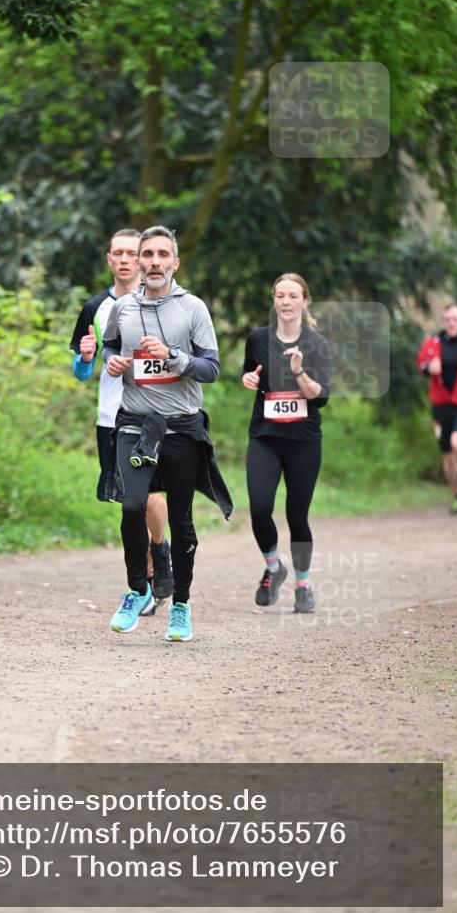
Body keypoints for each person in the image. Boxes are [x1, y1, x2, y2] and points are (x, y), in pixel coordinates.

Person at [102, 225, 232, 642]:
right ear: (139, 261)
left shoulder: (193, 308)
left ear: (175, 262)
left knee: (180, 518)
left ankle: (180, 604)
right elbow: (110, 346)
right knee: (132, 506)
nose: (154, 262)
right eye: (148, 254)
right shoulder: (124, 308)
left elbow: (211, 368)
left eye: (162, 255)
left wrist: (175, 357)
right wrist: (112, 362)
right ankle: (137, 590)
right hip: (135, 424)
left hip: (181, 426)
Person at [69, 229, 174, 607]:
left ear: (143, 258)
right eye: (119, 253)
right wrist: (85, 358)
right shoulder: (95, 308)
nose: (126, 259)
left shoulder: (166, 304)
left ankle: (159, 554)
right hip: (112, 417)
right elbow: (82, 373)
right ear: (110, 259)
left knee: (152, 501)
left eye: (133, 252)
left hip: (157, 416)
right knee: (131, 503)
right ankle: (145, 581)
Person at [242, 274, 332, 614]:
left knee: (297, 514)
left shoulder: (317, 344)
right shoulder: (257, 338)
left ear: (304, 301)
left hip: (303, 442)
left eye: (293, 295)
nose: (286, 301)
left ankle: (303, 585)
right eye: (280, 295)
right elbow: (250, 373)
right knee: (259, 508)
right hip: (265, 437)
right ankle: (273, 567)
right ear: (274, 300)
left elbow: (320, 397)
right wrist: (248, 379)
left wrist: (298, 371)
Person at [416, 302, 457, 514]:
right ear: (443, 321)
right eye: (447, 320)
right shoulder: (433, 342)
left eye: (455, 319)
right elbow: (421, 364)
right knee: (449, 457)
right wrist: (429, 368)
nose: (451, 323)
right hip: (441, 406)